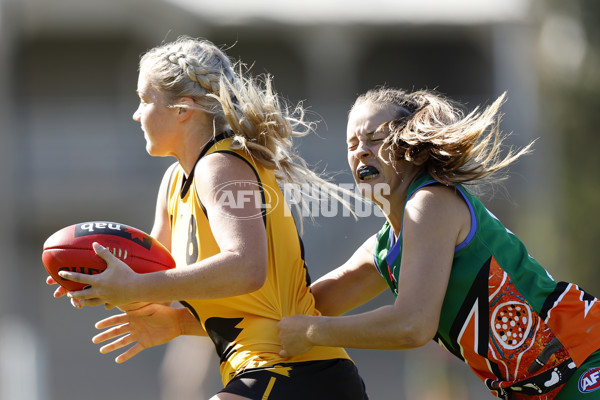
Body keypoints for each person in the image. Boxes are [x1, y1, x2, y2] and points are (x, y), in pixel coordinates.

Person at [47, 36, 368, 400]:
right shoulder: (173, 182)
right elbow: (154, 291)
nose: (137, 114)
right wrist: (102, 284)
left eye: (145, 100)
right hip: (268, 371)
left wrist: (136, 287)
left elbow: (246, 267)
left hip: (299, 369)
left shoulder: (221, 165)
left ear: (183, 109)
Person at [277, 87, 600, 399]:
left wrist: (309, 333)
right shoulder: (386, 246)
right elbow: (305, 307)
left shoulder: (431, 202)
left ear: (412, 149)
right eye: (352, 144)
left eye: (375, 139)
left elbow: (411, 325)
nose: (361, 150)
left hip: (584, 365)